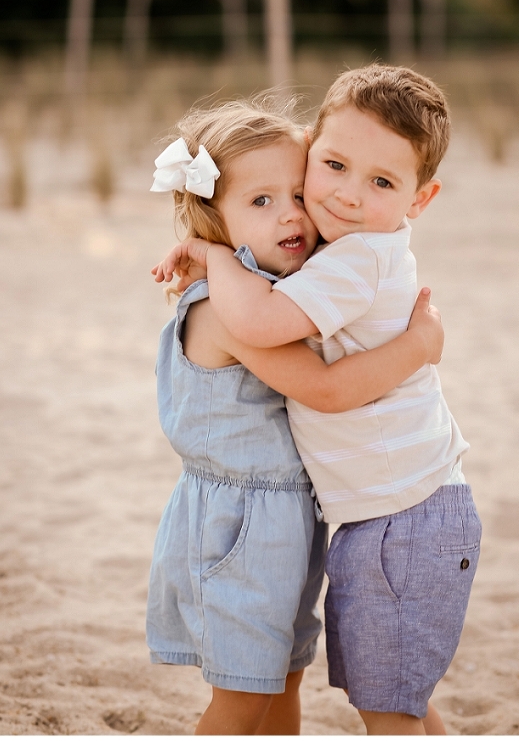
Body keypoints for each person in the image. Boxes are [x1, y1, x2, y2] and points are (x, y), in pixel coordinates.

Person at [154, 67, 482, 736]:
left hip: (383, 515)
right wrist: (216, 257)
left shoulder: (340, 264)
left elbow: (318, 377)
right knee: (323, 693)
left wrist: (423, 343)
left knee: (377, 697)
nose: (299, 213)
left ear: (420, 197)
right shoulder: (244, 299)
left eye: (382, 182)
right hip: (260, 526)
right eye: (331, 167)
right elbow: (287, 349)